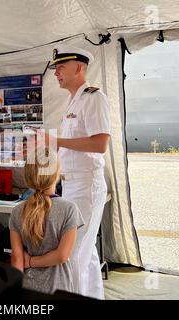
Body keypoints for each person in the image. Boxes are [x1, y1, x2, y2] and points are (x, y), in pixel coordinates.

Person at [43, 45, 111, 299]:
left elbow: (99, 144)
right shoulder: (75, 100)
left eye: (60, 67)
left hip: (86, 186)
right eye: (55, 69)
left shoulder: (93, 97)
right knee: (87, 253)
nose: (56, 73)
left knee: (72, 256)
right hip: (71, 186)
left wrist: (55, 141)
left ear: (79, 68)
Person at [9, 148, 84, 295]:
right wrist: (31, 261)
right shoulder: (69, 209)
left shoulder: (17, 211)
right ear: (57, 174)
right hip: (59, 287)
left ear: (28, 176)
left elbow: (17, 258)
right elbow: (62, 256)